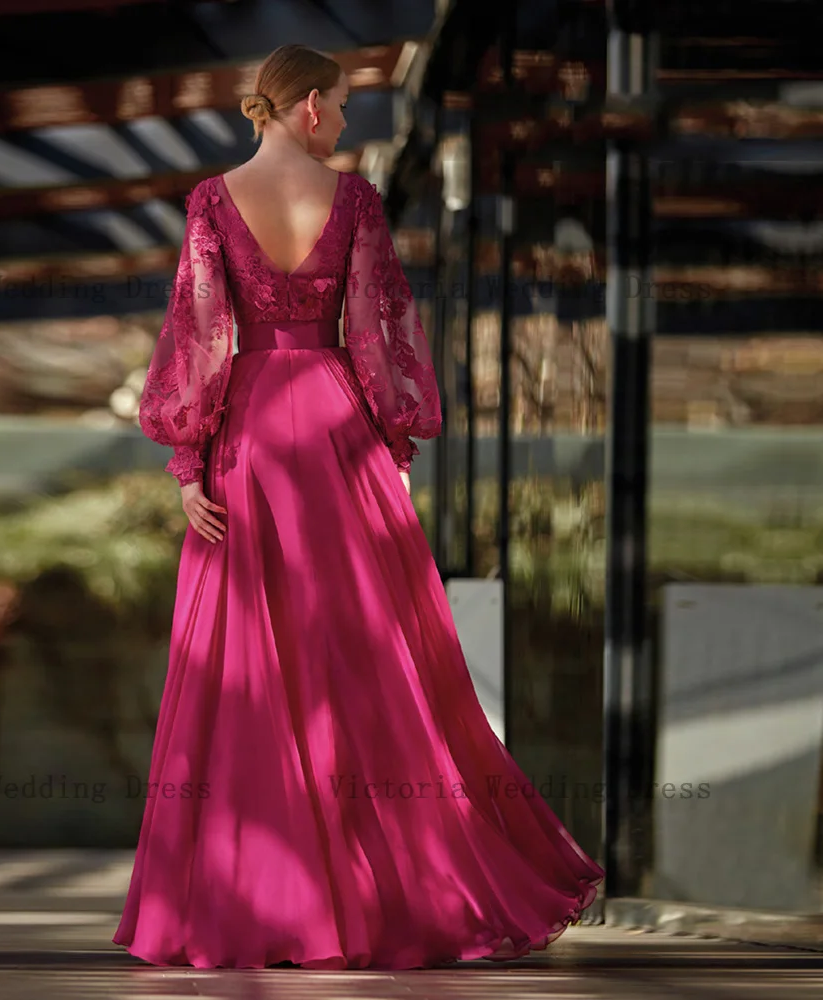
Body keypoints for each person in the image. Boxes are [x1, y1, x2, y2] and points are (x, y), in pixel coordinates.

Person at [114, 43, 603, 970]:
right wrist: (399, 437)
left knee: (245, 667)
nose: (343, 121)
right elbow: (379, 325)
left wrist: (188, 464)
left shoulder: (213, 202)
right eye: (337, 106)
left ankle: (256, 902)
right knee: (372, 667)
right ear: (304, 109)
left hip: (249, 441)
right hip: (336, 435)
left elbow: (200, 331)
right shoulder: (355, 204)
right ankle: (386, 892)